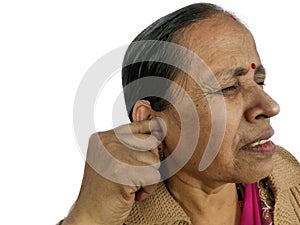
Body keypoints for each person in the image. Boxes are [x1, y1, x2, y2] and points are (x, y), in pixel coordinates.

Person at [58, 3, 300, 225]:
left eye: (260, 82)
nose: (270, 107)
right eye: (229, 87)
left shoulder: (290, 180)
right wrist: (87, 217)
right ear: (152, 122)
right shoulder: (109, 218)